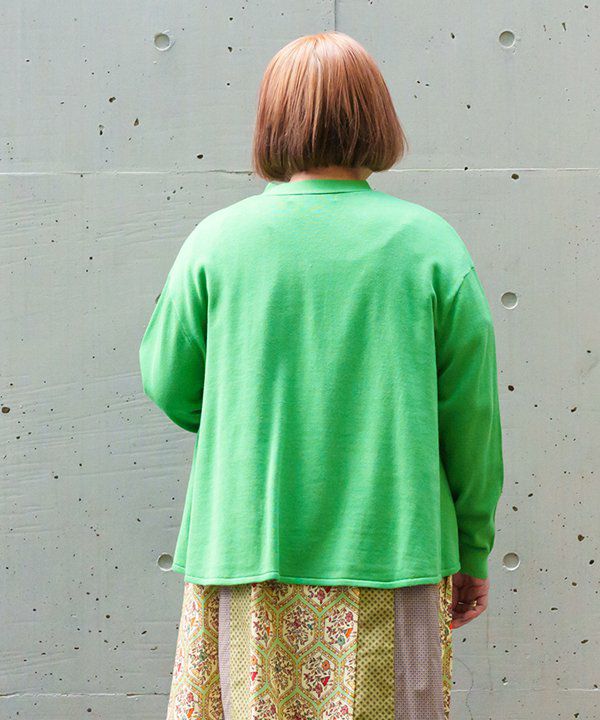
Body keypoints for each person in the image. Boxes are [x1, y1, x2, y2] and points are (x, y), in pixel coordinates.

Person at [139, 30, 504, 720]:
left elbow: (169, 380)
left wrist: (244, 411)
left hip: (249, 545)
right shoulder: (429, 244)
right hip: (395, 550)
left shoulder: (218, 241)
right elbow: (471, 417)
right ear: (377, 118)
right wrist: (474, 546)